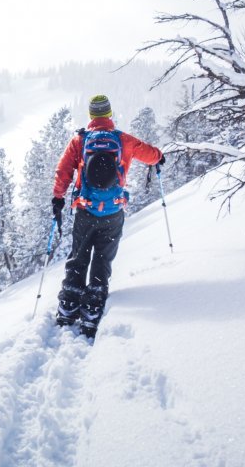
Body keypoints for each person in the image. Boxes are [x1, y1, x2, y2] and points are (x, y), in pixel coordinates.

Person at [51, 94, 164, 338]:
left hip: (85, 210)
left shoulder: (80, 141)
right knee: (102, 260)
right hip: (113, 212)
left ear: (91, 116)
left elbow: (63, 172)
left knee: (78, 257)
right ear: (109, 114)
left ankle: (68, 307)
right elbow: (152, 154)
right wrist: (159, 157)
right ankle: (92, 311)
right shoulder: (123, 140)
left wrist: (58, 198)